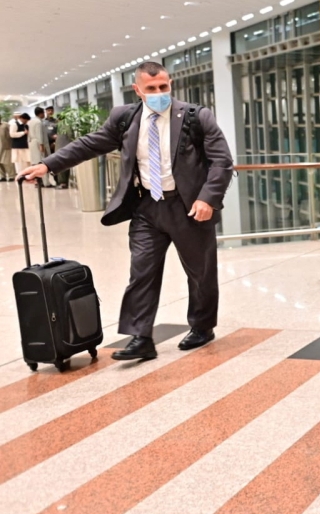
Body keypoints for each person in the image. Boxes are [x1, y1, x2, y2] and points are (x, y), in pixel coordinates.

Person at [20, 61, 234, 362]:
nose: (159, 93)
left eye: (163, 86)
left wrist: (207, 199)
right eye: (151, 88)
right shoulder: (125, 118)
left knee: (200, 273)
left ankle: (202, 326)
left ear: (170, 84)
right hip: (147, 207)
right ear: (137, 89)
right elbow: (89, 144)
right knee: (141, 273)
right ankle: (141, 337)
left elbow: (221, 161)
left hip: (187, 207)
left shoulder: (196, 116)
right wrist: (47, 165)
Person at [28, 107, 55, 187]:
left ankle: (38, 182)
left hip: (33, 143)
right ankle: (46, 182)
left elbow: (29, 134)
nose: (44, 114)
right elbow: (39, 134)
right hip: (39, 143)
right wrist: (41, 145)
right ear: (41, 113)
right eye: (43, 113)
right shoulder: (38, 122)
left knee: (36, 163)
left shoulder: (32, 121)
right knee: (42, 162)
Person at [44, 106, 68, 189]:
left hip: (56, 145)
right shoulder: (43, 122)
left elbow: (60, 134)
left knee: (57, 163)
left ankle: (58, 180)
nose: (50, 112)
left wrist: (55, 142)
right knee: (48, 163)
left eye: (51, 110)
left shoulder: (56, 122)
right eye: (48, 110)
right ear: (46, 111)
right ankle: (48, 181)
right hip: (47, 145)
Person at [0, 114, 14, 181]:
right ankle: (2, 176)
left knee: (7, 162)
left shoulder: (5, 125)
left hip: (6, 146)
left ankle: (11, 176)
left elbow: (11, 134)